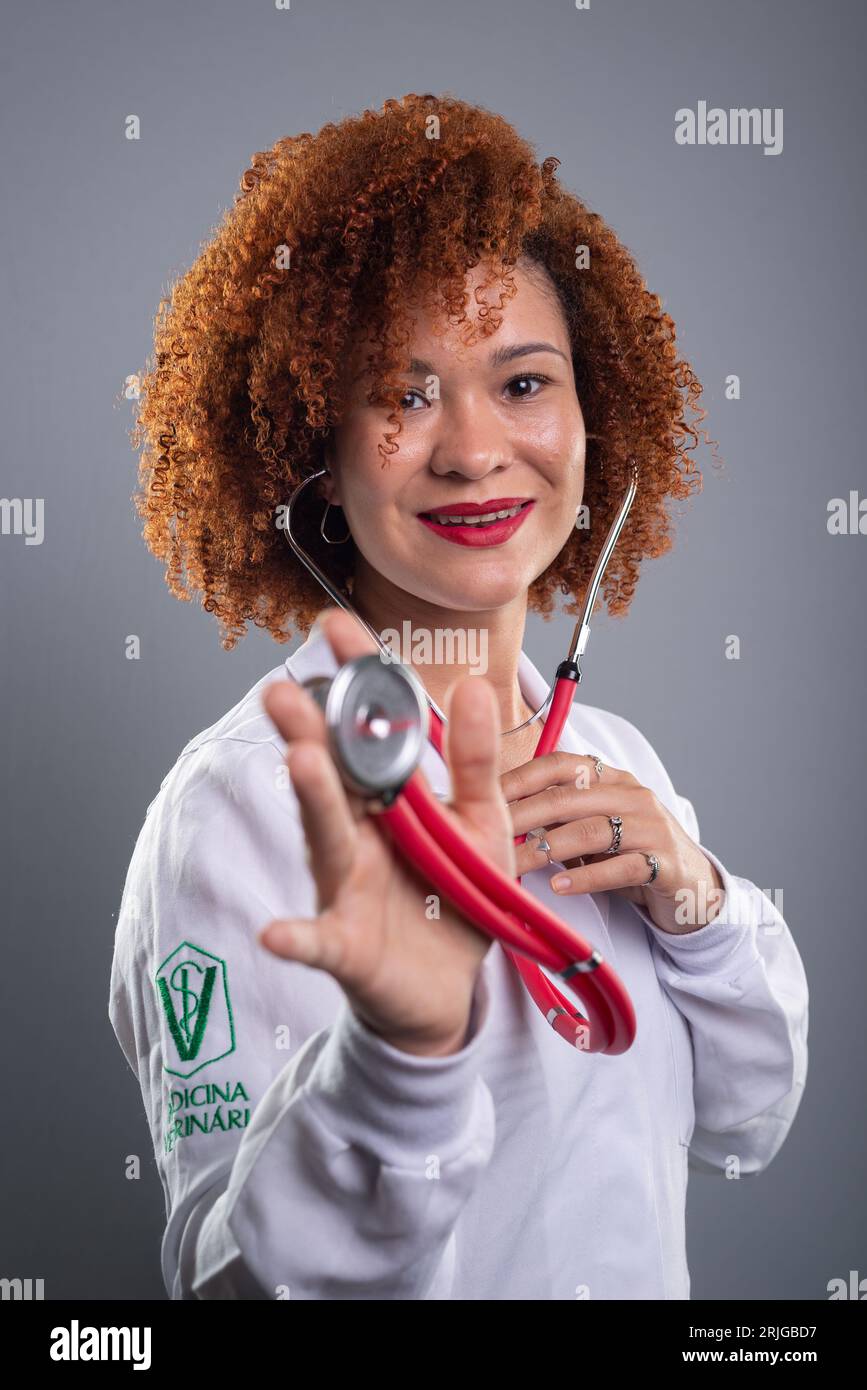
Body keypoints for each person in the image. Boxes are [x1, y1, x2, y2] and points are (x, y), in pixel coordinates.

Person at [108, 93, 808, 1300]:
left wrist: (698, 905)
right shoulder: (240, 807)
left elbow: (750, 1125)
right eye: (404, 392)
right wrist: (395, 1060)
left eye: (525, 382)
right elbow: (217, 1286)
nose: (475, 449)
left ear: (598, 418)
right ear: (313, 449)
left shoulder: (614, 761)